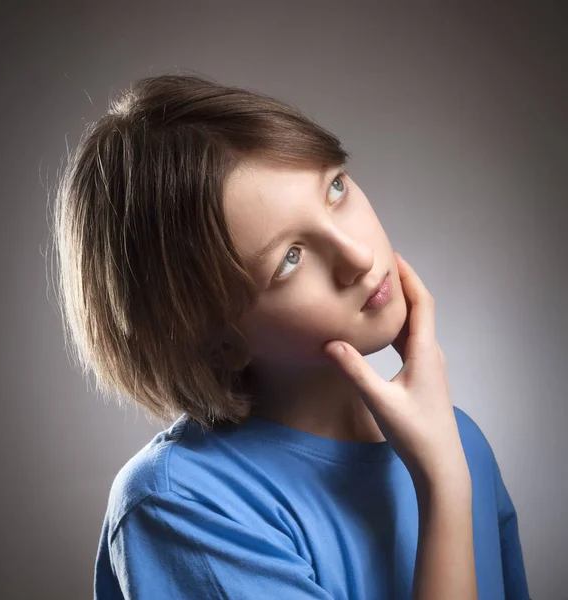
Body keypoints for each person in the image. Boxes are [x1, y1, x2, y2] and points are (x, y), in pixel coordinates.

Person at [52, 72, 530, 599]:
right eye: (290, 259)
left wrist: (448, 464)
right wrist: (442, 487)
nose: (358, 256)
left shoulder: (458, 439)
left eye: (336, 188)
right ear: (217, 339)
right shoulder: (182, 505)